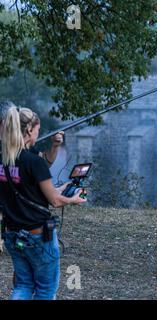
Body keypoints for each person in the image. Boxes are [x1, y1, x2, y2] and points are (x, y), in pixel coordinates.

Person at [0, 106, 86, 300]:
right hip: (37, 235)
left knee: (23, 285)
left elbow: (28, 189)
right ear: (30, 130)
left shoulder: (3, 158)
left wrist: (60, 188)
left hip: (12, 234)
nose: (38, 133)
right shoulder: (33, 162)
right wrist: (72, 199)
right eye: (37, 129)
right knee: (45, 290)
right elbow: (54, 201)